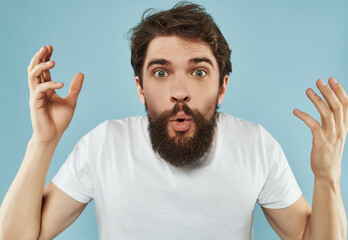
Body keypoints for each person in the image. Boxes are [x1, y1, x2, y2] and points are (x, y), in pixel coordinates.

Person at [0, 2, 347, 240]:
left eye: (198, 71)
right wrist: (42, 142)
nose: (179, 92)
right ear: (140, 88)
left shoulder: (255, 145)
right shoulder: (104, 145)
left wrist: (328, 176)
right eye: (161, 72)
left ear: (222, 86)